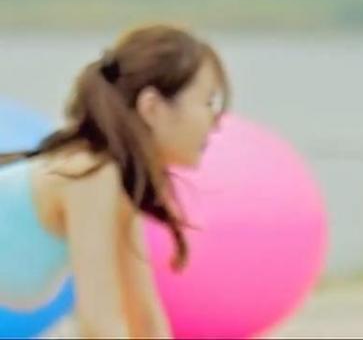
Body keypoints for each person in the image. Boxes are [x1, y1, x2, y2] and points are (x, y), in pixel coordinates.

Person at [0, 24, 229, 339]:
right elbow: (98, 325)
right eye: (208, 102)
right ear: (152, 107)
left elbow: (144, 321)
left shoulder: (116, 184)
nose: (216, 122)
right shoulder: (92, 175)